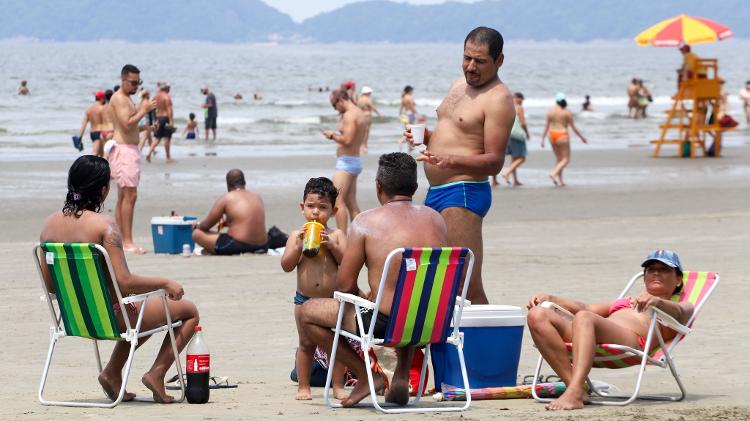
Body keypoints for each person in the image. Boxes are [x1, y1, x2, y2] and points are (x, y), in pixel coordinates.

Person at [38, 155, 199, 403]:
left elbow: (51, 286)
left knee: (141, 309)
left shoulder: (49, 225)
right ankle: (156, 374)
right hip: (112, 319)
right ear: (103, 190)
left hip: (75, 319)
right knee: (188, 311)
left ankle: (112, 372)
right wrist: (165, 282)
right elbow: (125, 281)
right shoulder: (105, 225)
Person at [299, 152, 449, 407]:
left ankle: (367, 374)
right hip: (434, 320)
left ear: (378, 186)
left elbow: (343, 285)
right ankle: (400, 375)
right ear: (414, 187)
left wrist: (364, 297)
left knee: (306, 312)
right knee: (408, 300)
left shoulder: (366, 222)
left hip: (386, 324)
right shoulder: (436, 219)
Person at [404, 26, 514, 304]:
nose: (471, 66)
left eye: (480, 61)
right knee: (434, 280)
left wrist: (449, 160)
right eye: (467, 58)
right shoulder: (458, 85)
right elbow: (455, 132)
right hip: (437, 190)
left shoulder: (499, 99)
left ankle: (488, 347)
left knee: (465, 284)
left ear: (499, 60)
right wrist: (427, 138)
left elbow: (494, 162)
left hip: (463, 192)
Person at [526, 249, 693, 411]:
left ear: (678, 280)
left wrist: (657, 301)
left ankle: (574, 391)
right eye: (651, 270)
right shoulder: (627, 301)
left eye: (664, 269)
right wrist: (551, 298)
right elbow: (586, 307)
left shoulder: (679, 307)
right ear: (645, 278)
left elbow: (680, 313)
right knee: (537, 314)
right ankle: (575, 388)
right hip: (589, 334)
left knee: (584, 317)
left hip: (632, 342)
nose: (656, 273)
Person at [281, 177, 347, 401]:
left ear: (334, 210)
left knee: (336, 344)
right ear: (302, 208)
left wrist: (332, 245)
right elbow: (286, 266)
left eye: (323, 207)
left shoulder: (336, 235)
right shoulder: (295, 236)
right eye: (310, 206)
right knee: (306, 345)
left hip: (330, 301)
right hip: (304, 300)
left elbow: (346, 262)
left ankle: (338, 385)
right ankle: (303, 386)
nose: (316, 213)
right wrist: (298, 246)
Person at [109, 64, 156, 254]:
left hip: (128, 148)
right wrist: (144, 110)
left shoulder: (127, 99)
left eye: (139, 82)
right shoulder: (119, 98)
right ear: (123, 80)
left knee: (124, 196)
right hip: (124, 151)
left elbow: (130, 126)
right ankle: (128, 242)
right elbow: (126, 124)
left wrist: (146, 128)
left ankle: (121, 239)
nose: (136, 86)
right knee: (130, 195)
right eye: (133, 82)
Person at [192, 169, 268, 255]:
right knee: (220, 235)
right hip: (263, 246)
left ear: (228, 185)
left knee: (197, 234)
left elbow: (206, 225)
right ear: (244, 183)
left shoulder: (227, 198)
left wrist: (197, 226)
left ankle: (211, 250)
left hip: (238, 246)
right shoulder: (257, 197)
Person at [322, 89, 367, 233]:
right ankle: (360, 236)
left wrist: (332, 135)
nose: (335, 109)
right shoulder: (359, 113)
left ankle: (342, 237)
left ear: (341, 100)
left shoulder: (349, 115)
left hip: (346, 163)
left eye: (334, 106)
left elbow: (347, 140)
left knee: (337, 201)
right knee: (351, 203)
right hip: (354, 159)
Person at [541, 93, 588, 187]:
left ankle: (560, 180)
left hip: (552, 135)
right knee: (566, 159)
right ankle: (553, 174)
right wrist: (582, 138)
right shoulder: (566, 112)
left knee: (559, 159)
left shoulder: (550, 111)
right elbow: (573, 127)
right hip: (562, 135)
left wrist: (542, 139)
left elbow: (546, 126)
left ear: (556, 101)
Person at [494, 92, 530, 187]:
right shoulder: (519, 107)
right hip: (516, 135)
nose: (522, 102)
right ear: (518, 98)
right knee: (521, 157)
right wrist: (527, 133)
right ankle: (507, 173)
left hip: (505, 134)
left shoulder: (505, 107)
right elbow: (523, 123)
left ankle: (512, 180)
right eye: (522, 100)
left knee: (509, 157)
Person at [147, 83, 175, 163]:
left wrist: (154, 120)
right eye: (168, 88)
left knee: (157, 138)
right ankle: (168, 157)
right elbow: (169, 109)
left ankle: (149, 153)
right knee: (167, 138)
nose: (169, 89)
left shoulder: (155, 96)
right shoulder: (167, 96)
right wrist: (171, 120)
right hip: (165, 118)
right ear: (165, 88)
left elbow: (152, 108)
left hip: (158, 118)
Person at [78, 91, 108, 157]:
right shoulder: (102, 108)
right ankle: (89, 166)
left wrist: (80, 138)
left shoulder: (89, 109)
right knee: (96, 154)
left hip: (93, 133)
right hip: (101, 132)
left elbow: (84, 125)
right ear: (102, 98)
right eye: (104, 98)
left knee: (100, 154)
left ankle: (98, 167)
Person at [356, 86, 380, 154]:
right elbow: (372, 107)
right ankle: (364, 146)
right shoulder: (368, 99)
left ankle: (360, 146)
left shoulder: (359, 99)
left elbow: (357, 108)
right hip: (367, 116)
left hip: (360, 116)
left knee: (361, 131)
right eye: (369, 92)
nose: (370, 94)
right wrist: (378, 113)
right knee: (366, 131)